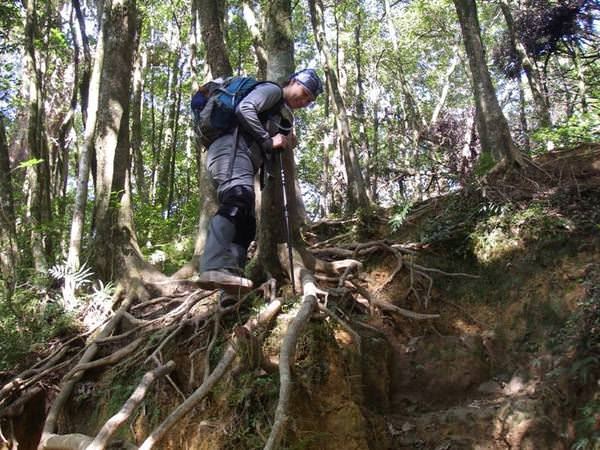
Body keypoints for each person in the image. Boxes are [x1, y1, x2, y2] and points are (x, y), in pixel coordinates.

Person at [196, 69, 323, 295]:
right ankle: (212, 265)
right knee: (237, 199)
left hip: (240, 156)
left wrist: (284, 140)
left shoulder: (280, 111)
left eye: (308, 100)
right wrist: (267, 140)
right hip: (230, 150)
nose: (303, 101)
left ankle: (230, 279)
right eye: (303, 93)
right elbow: (245, 109)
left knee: (247, 222)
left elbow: (271, 136)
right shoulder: (273, 90)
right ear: (292, 81)